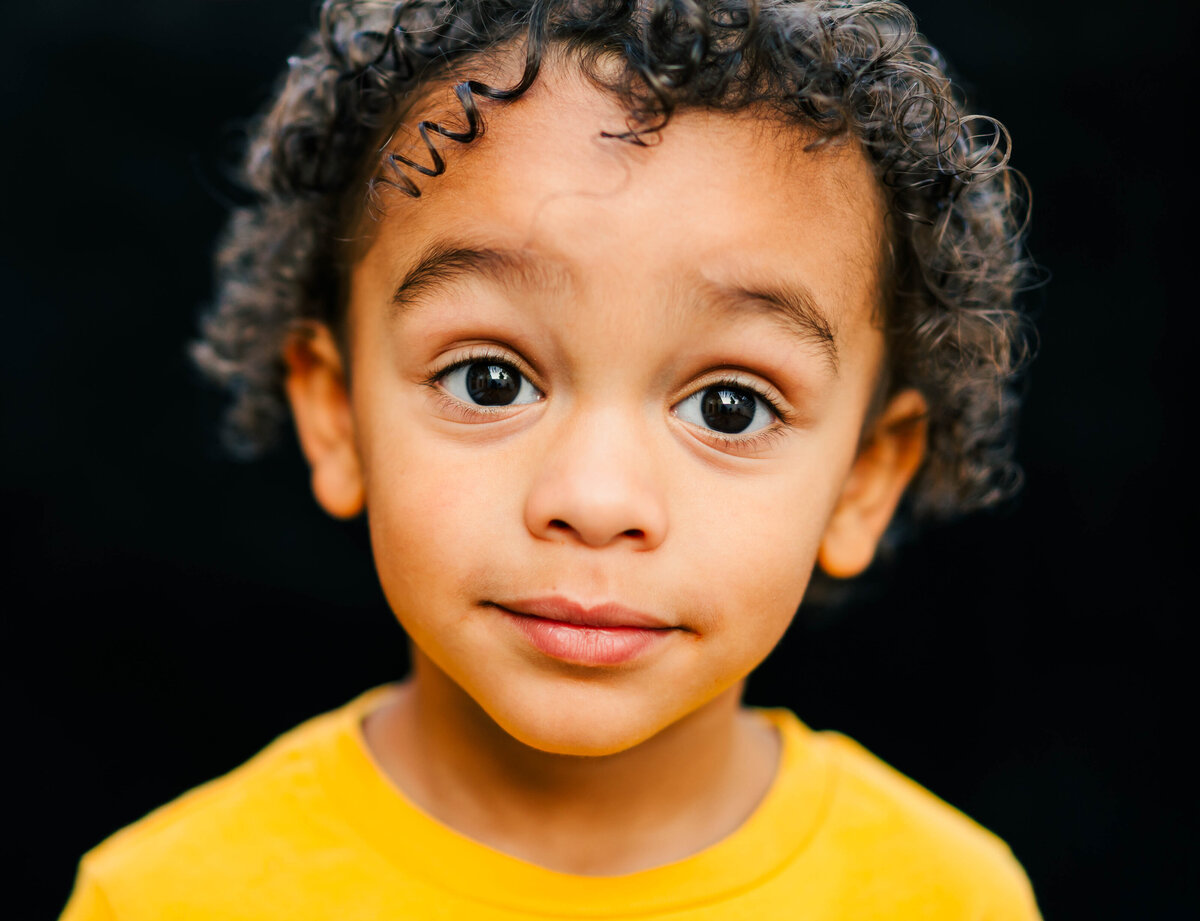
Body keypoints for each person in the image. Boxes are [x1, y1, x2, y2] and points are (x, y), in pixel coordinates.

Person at [61, 1, 1039, 917]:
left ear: (865, 479)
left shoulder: (945, 897)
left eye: (730, 406)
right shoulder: (168, 898)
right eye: (488, 380)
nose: (595, 499)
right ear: (335, 411)